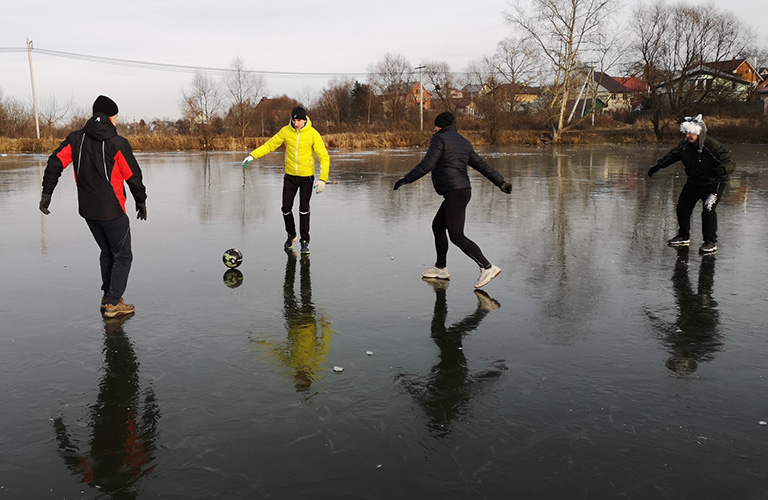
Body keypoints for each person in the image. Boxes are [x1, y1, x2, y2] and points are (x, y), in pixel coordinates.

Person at [40, 95, 147, 318]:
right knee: (123, 255)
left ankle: (108, 297)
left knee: (107, 251)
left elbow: (54, 163)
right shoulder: (118, 143)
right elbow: (133, 175)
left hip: (89, 211)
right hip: (113, 210)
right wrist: (141, 200)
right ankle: (113, 303)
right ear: (109, 117)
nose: (117, 121)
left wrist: (47, 193)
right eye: (116, 116)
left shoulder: (75, 139)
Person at [394, 111, 513, 288]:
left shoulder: (439, 139)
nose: (433, 128)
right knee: (438, 226)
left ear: (440, 125)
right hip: (461, 191)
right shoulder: (463, 142)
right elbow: (481, 165)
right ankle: (441, 268)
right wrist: (500, 181)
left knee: (456, 236)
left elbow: (428, 163)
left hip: (455, 192)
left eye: (435, 125)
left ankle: (487, 267)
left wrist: (407, 178)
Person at [242, 106, 330, 255]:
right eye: (294, 120)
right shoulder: (286, 131)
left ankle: (304, 241)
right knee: (285, 208)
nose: (296, 123)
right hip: (290, 176)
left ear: (305, 119)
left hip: (306, 177)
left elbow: (324, 157)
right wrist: (252, 155)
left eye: (299, 120)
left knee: (303, 208)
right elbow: (270, 145)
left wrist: (322, 179)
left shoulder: (313, 134)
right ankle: (291, 234)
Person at [647, 114, 735, 254]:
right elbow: (672, 156)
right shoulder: (685, 146)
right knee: (682, 207)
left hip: (713, 183)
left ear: (699, 132)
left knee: (708, 209)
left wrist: (722, 169)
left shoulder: (711, 146)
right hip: (694, 182)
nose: (688, 136)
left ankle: (710, 242)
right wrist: (657, 167)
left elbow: (729, 161)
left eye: (691, 133)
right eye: (686, 132)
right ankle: (683, 236)